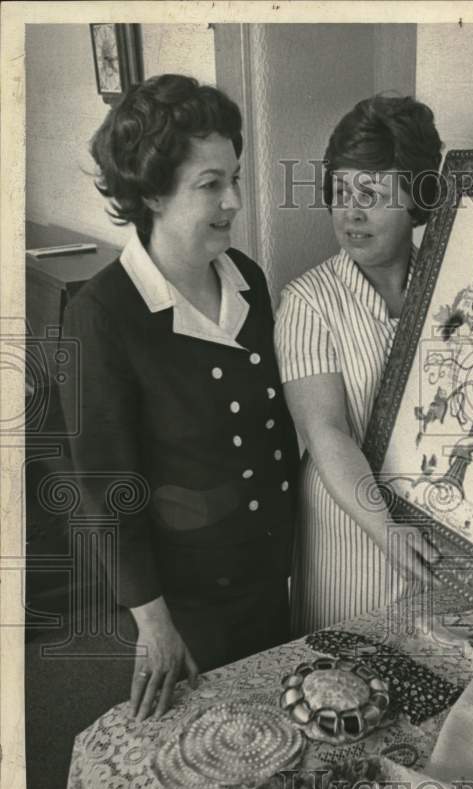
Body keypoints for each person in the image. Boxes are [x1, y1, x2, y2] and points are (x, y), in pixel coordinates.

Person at [59, 74, 299, 721]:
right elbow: (107, 487)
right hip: (186, 604)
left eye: (235, 178)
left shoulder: (245, 277)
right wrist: (154, 625)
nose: (234, 201)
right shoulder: (102, 315)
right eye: (211, 184)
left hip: (266, 579)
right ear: (152, 191)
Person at [274, 94, 473, 634]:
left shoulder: (454, 284)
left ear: (416, 200)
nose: (350, 212)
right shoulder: (309, 301)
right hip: (350, 531)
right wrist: (383, 528)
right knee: (343, 676)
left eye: (370, 193)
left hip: (440, 527)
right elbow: (325, 432)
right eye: (340, 192)